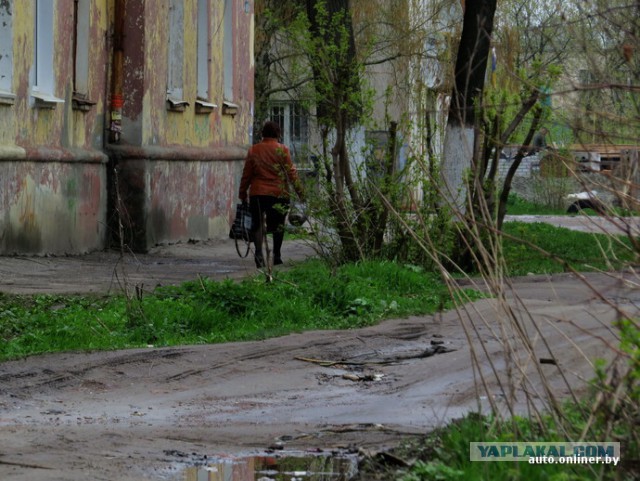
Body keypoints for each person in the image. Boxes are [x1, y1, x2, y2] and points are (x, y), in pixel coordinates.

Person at [238, 121, 304, 268]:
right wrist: (300, 192)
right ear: (278, 134)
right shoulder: (282, 150)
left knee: (258, 224)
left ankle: (259, 253)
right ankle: (277, 255)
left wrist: (242, 193)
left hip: (258, 193)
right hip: (278, 193)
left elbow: (246, 174)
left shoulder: (254, 150)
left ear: (263, 134)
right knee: (278, 224)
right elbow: (291, 173)